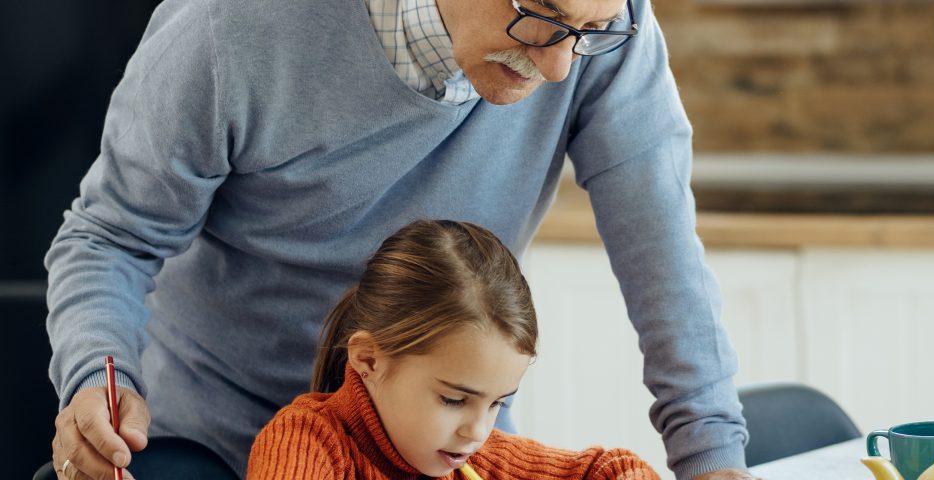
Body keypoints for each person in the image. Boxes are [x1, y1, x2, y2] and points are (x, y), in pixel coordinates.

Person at [45, 0, 753, 478]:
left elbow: (663, 258)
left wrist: (713, 457)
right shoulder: (232, 26)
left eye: (590, 27)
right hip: (212, 444)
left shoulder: (596, 30)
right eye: (539, 11)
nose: (562, 66)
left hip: (428, 446)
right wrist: (95, 375)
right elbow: (111, 238)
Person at [247, 219, 658, 479]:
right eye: (454, 399)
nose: (478, 432)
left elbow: (610, 468)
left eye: (498, 403)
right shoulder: (308, 442)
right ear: (369, 359)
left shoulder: (479, 458)